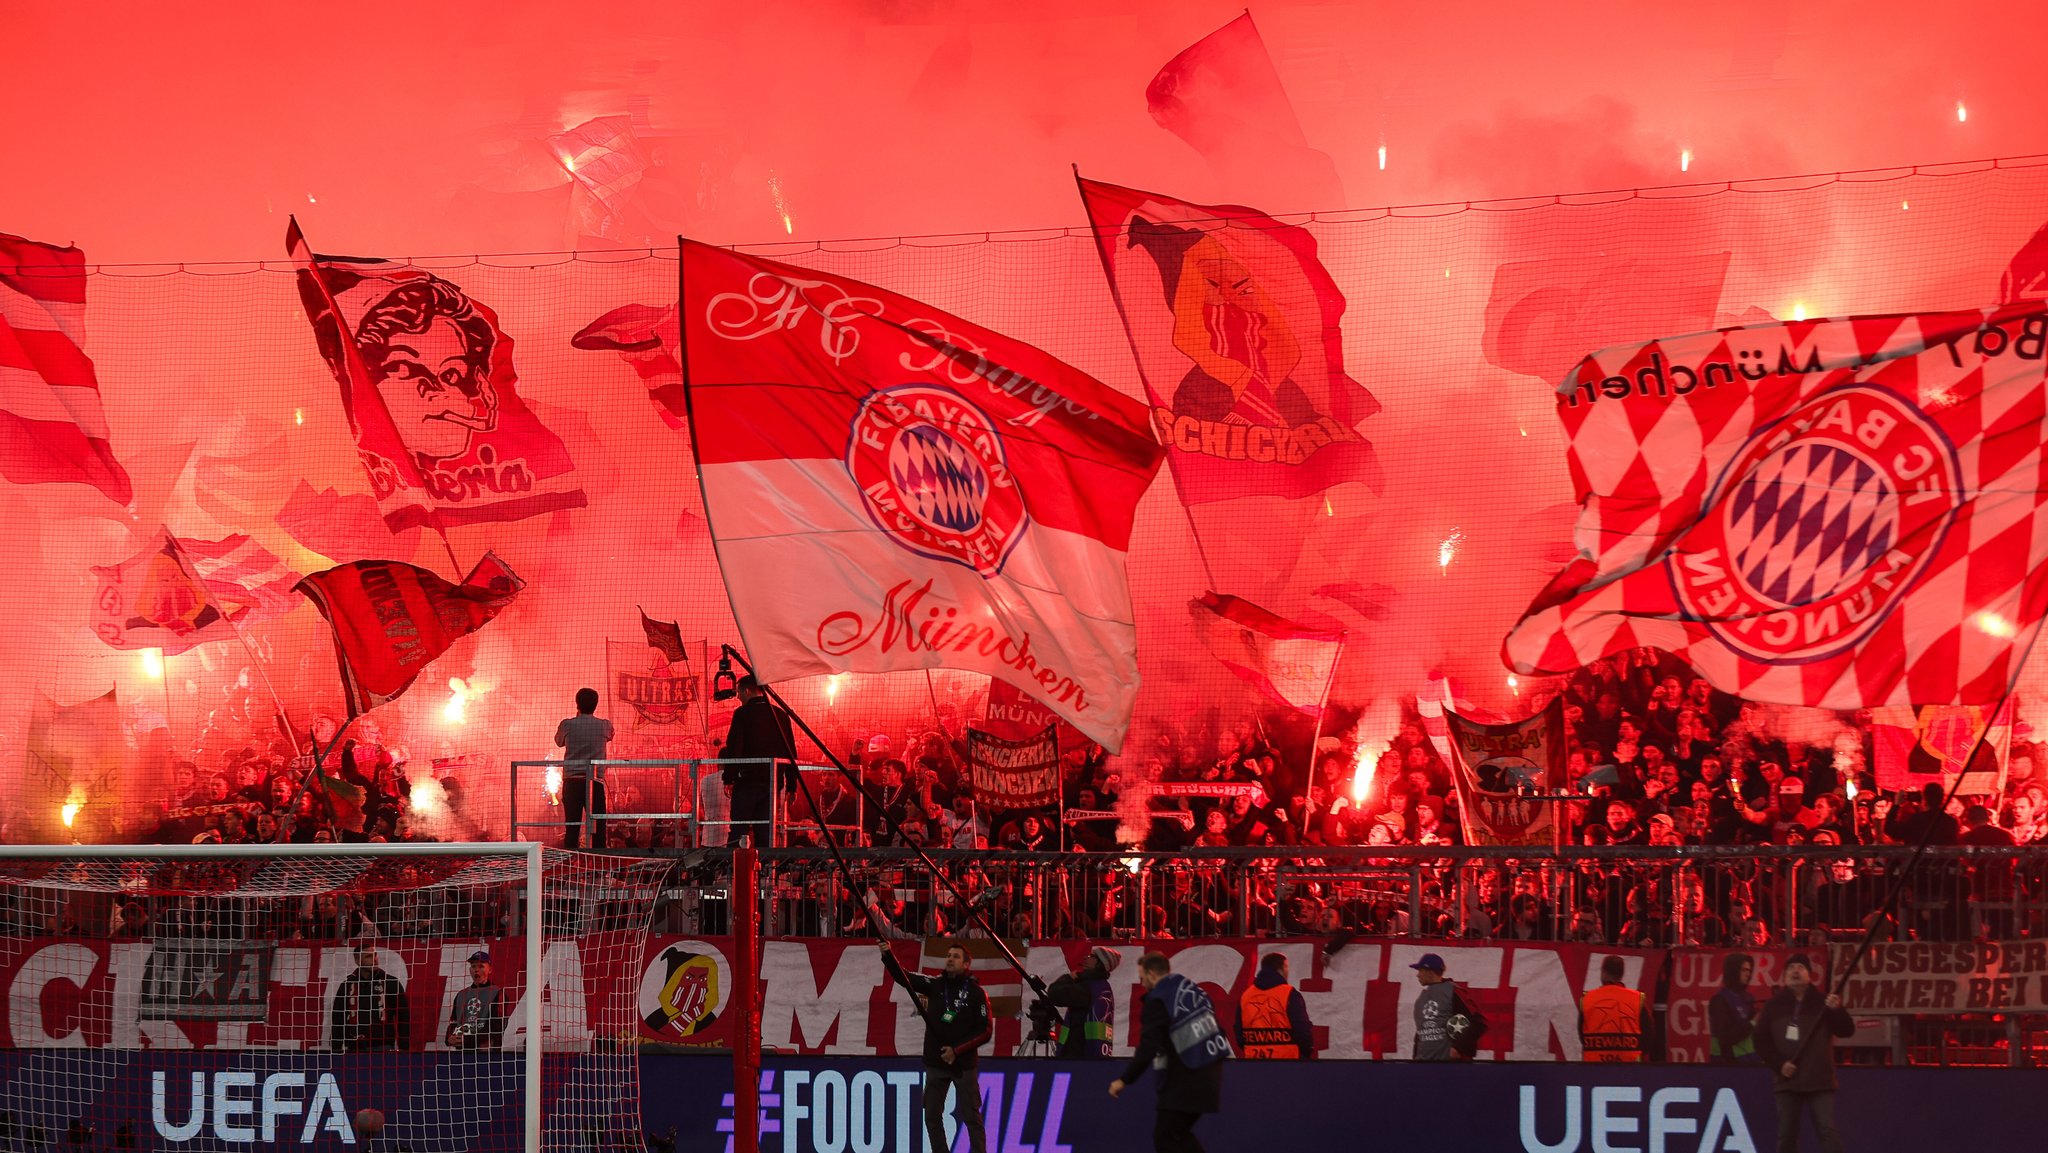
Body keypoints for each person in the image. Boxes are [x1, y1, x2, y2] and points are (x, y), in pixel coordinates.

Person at [877, 940, 992, 1153]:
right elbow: (904, 977)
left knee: (971, 1117)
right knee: (931, 1115)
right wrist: (888, 955)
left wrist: (957, 1051)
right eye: (948, 955)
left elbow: (985, 1031)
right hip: (936, 1063)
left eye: (956, 956)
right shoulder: (935, 985)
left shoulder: (977, 994)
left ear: (966, 964)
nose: (950, 959)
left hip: (963, 1066)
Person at [1109, 953, 1228, 1153]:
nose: (1142, 983)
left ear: (1153, 974)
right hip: (1210, 1070)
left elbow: (1148, 1046)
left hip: (1185, 1074)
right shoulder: (1193, 991)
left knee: (1166, 1137)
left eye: (1142, 977)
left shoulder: (1158, 999)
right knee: (1178, 1134)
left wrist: (1124, 1079)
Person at [1753, 954, 1855, 1153]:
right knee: (1787, 1135)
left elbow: (1846, 1030)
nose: (1795, 971)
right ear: (1784, 977)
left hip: (1820, 1079)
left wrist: (1837, 1010)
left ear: (1810, 975)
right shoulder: (1773, 1006)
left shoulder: (1824, 1003)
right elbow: (1760, 1041)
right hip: (1787, 1080)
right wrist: (1779, 1064)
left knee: (1827, 1131)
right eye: (1791, 968)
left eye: (1800, 967)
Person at [722, 676, 798, 846]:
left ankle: (735, 869)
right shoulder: (781, 715)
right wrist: (792, 785)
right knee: (765, 831)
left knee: (739, 830)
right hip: (773, 784)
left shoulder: (742, 714)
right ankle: (765, 869)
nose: (737, 696)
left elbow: (734, 747)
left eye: (738, 692)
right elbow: (791, 752)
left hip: (747, 782)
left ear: (746, 691)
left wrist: (728, 777)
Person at [554, 688, 614, 850]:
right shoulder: (604, 726)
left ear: (577, 703)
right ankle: (599, 863)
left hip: (572, 783)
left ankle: (570, 864)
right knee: (598, 829)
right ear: (596, 705)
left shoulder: (567, 725)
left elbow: (558, 742)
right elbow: (611, 735)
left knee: (572, 828)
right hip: (594, 782)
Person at [332, 942, 410, 1052]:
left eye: (375, 955)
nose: (374, 959)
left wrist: (404, 1047)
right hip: (354, 1048)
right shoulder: (347, 985)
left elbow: (403, 1017)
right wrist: (336, 1049)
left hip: (383, 1047)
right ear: (358, 961)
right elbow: (338, 1019)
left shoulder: (391, 983)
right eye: (368, 956)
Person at [1044, 946, 1121, 1058]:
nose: (1086, 957)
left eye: (1091, 956)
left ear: (1100, 963)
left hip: (1077, 1056)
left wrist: (1068, 978)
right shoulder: (1101, 988)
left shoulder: (1088, 989)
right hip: (1090, 1055)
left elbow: (1054, 994)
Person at [1234, 953, 1315, 1059]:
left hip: (1253, 1062)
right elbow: (1302, 1029)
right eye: (1286, 967)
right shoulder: (1289, 993)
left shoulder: (1246, 995)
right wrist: (1305, 1053)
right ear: (1281, 969)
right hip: (1288, 1062)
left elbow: (1239, 1032)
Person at [1409, 953, 1485, 1061]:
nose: (1418, 975)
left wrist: (1459, 1048)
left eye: (1421, 970)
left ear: (1430, 972)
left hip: (1449, 1066)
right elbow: (1420, 1033)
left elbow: (1479, 1022)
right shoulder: (1421, 998)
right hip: (1423, 1065)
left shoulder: (1453, 991)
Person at [1578, 955, 1651, 1062]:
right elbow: (1648, 1035)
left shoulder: (1587, 999)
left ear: (1603, 972)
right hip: (1629, 1068)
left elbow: (1581, 1034)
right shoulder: (1637, 999)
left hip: (1594, 1068)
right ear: (1621, 975)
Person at [1708, 952, 1762, 1064]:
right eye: (1744, 970)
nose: (1748, 974)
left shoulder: (1748, 998)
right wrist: (1753, 1022)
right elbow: (1725, 1037)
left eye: (1749, 970)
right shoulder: (1719, 1001)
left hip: (1748, 1061)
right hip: (1726, 1064)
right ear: (1733, 970)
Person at [446, 948, 504, 1050]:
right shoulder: (461, 995)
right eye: (473, 966)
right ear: (469, 970)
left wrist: (467, 1039)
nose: (476, 969)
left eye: (481, 966)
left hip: (487, 1054)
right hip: (463, 1051)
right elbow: (454, 1023)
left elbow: (496, 1027)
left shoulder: (497, 993)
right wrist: (449, 1038)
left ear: (490, 969)